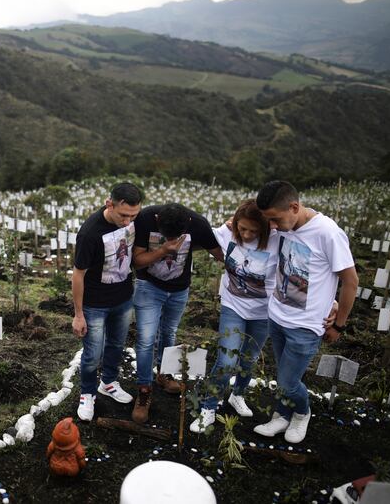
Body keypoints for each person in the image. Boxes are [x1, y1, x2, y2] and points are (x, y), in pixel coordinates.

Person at [252, 180, 357, 444]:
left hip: (306, 325)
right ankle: (282, 414)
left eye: (275, 220)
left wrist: (339, 324)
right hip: (277, 317)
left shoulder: (327, 233)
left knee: (288, 381)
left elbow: (351, 280)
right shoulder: (283, 225)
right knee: (283, 374)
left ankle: (302, 412)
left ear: (295, 207)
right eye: (269, 221)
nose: (272, 227)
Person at [190, 199, 279, 433]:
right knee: (227, 359)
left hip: (263, 311)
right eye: (243, 228)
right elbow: (197, 229)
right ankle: (209, 407)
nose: (247, 234)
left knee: (249, 358)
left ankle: (237, 395)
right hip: (233, 305)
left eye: (254, 230)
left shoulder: (277, 240)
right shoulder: (226, 233)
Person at [131, 203, 223, 424]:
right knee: (145, 339)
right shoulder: (144, 219)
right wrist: (163, 250)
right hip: (148, 286)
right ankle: (144, 391)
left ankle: (165, 374)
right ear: (157, 219)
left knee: (169, 332)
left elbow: (219, 253)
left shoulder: (198, 223)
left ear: (188, 224)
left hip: (180, 289)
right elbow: (136, 260)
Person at [72, 182, 143, 422]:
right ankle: (88, 392)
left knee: (116, 345)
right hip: (95, 304)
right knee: (92, 353)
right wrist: (78, 314)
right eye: (123, 215)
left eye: (133, 215)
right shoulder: (90, 233)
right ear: (109, 203)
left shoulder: (133, 219)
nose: (128, 221)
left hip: (123, 298)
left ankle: (109, 382)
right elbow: (78, 274)